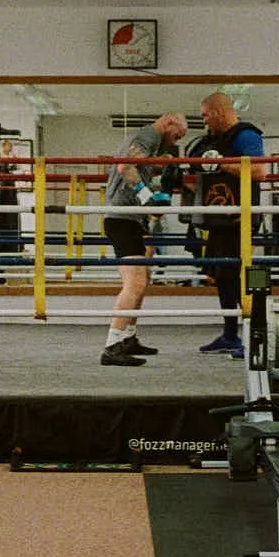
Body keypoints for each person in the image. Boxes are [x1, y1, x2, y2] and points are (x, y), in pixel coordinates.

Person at [100, 111, 188, 366]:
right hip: (122, 218)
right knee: (135, 282)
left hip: (133, 219)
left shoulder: (152, 144)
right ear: (168, 123)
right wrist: (146, 195)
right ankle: (112, 345)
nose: (174, 141)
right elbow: (126, 166)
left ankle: (127, 337)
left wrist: (162, 167)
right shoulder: (148, 135)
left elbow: (139, 165)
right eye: (177, 135)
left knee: (143, 279)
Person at [187, 91, 265, 357]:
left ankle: (252, 336)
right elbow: (197, 163)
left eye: (206, 115)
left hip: (239, 218)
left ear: (219, 112)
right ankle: (231, 335)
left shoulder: (246, 136)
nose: (205, 121)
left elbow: (258, 171)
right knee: (221, 276)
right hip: (218, 217)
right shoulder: (213, 139)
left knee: (239, 275)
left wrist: (219, 163)